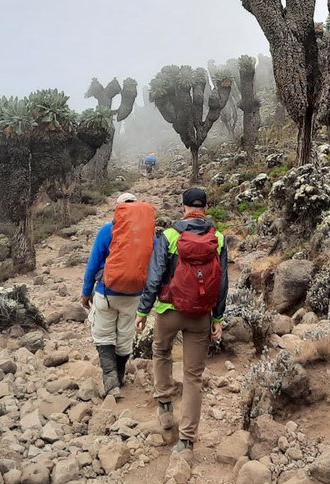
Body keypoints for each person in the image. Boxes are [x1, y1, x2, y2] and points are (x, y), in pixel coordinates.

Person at [135, 186, 228, 459]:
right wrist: (219, 317)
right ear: (206, 208)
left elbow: (154, 277)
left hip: (168, 310)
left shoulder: (169, 235)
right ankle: (187, 440)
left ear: (183, 207)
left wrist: (142, 312)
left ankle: (164, 404)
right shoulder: (219, 238)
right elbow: (222, 283)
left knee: (161, 351)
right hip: (201, 315)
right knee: (193, 377)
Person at [81, 193, 156, 394]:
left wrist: (86, 292)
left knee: (103, 334)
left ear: (118, 209)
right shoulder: (150, 234)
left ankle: (110, 380)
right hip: (135, 295)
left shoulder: (108, 230)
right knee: (125, 336)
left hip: (107, 292)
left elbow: (93, 263)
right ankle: (120, 375)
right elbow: (155, 266)